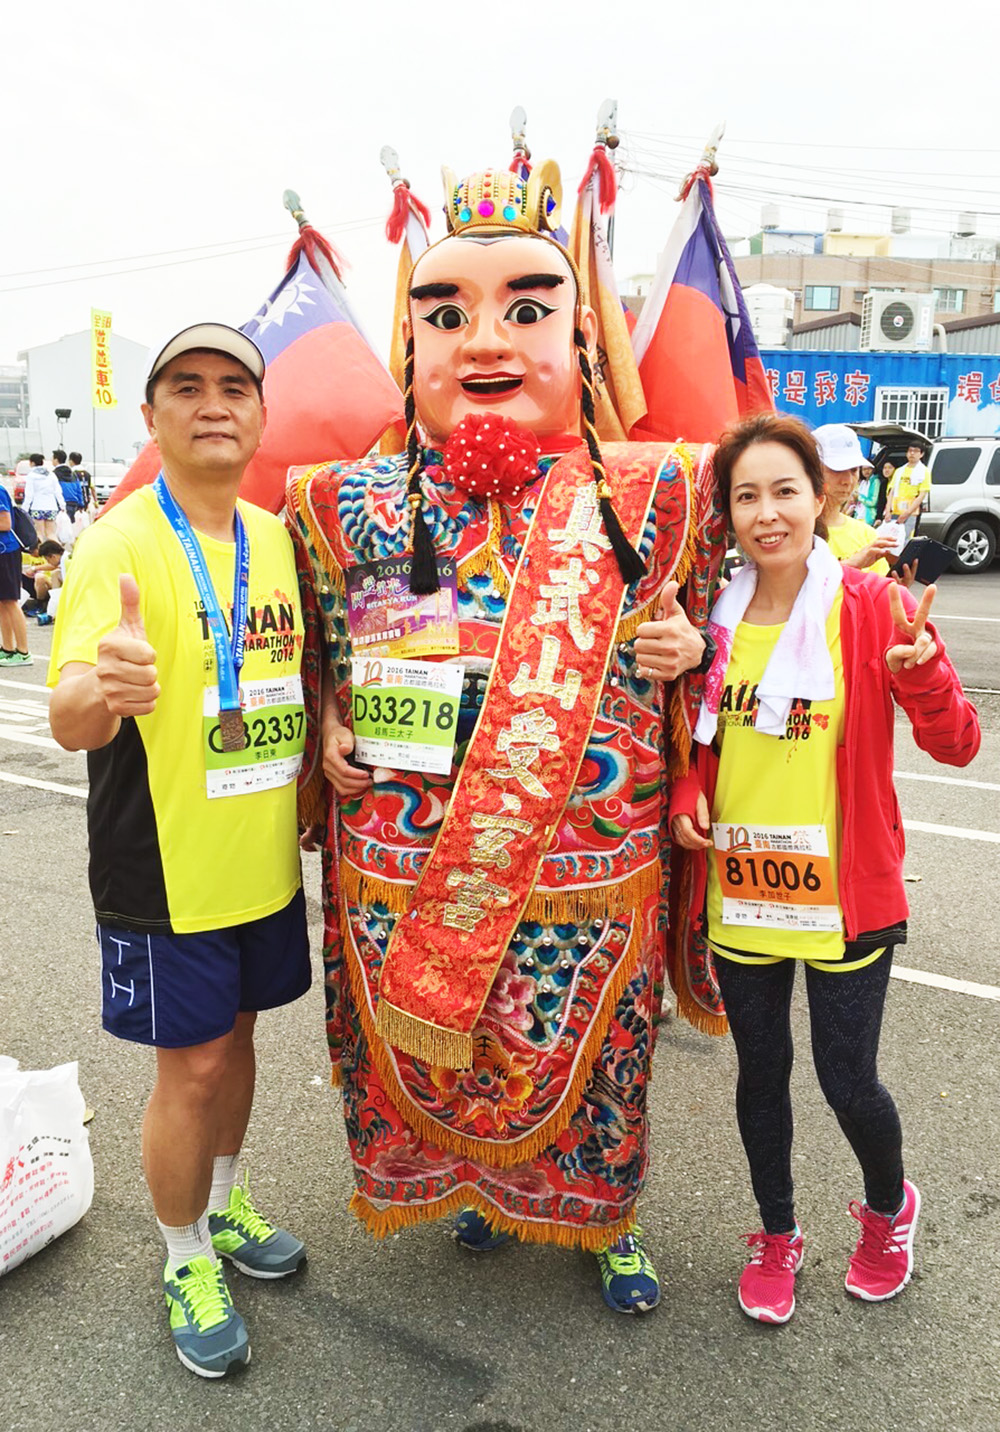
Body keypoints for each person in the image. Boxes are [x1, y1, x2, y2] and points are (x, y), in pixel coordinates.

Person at [288, 162, 724, 1314]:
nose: (484, 339)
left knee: (605, 1060)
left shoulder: (659, 493)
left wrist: (696, 656)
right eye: (446, 314)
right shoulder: (342, 503)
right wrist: (329, 719)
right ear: (409, 339)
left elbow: (762, 620)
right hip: (412, 861)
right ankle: (474, 1187)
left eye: (527, 308)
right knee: (448, 1043)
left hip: (591, 862)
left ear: (579, 332)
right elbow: (317, 654)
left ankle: (605, 1217)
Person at [669, 412, 980, 1325]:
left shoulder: (872, 606)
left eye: (785, 491)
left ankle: (889, 1210)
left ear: (824, 495)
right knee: (760, 1076)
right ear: (726, 515)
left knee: (849, 1080)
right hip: (745, 891)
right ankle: (777, 1232)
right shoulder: (710, 621)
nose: (768, 513)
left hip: (846, 894)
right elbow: (701, 751)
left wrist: (921, 675)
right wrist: (690, 800)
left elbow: (959, 744)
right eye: (746, 497)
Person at [48, 323, 311, 1379]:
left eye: (233, 387)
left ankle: (225, 1200)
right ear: (153, 416)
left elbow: (300, 673)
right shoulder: (115, 544)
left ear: (259, 415)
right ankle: (182, 1253)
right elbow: (69, 713)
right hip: (164, 865)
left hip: (261, 857)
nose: (213, 403)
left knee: (238, 1040)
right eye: (186, 387)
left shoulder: (275, 536)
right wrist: (99, 692)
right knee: (187, 1065)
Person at [813, 423, 894, 576]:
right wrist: (851, 565)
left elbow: (877, 589)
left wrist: (894, 589)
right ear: (813, 470)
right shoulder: (795, 531)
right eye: (838, 469)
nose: (848, 480)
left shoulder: (868, 535)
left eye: (854, 470)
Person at [0, 475, 32, 665]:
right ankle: (8, 648)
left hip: (6, 552)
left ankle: (23, 651)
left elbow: (6, 523)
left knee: (11, 601)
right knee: (2, 602)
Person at [884, 442, 932, 540]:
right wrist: (888, 511)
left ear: (921, 454)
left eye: (916, 451)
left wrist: (907, 513)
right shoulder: (899, 471)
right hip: (895, 510)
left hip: (910, 512)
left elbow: (921, 495)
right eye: (910, 451)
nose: (912, 453)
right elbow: (891, 492)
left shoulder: (924, 472)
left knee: (904, 539)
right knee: (890, 538)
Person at [23, 453, 65, 540]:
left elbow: (29, 495)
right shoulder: (51, 475)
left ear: (32, 463)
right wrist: (62, 505)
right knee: (51, 533)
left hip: (37, 507)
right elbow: (58, 491)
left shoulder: (31, 476)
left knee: (39, 533)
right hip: (52, 507)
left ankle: (41, 553)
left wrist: (24, 509)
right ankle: (59, 552)